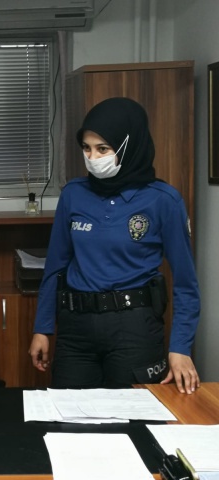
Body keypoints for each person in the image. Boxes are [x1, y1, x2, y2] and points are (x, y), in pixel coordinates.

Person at [28, 97, 201, 394]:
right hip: (76, 329)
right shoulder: (73, 194)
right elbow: (55, 267)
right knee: (68, 414)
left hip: (134, 328)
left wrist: (180, 347)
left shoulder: (163, 200)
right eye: (86, 148)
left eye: (103, 149)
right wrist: (42, 328)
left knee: (133, 416)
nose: (93, 158)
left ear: (128, 146)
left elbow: (186, 284)